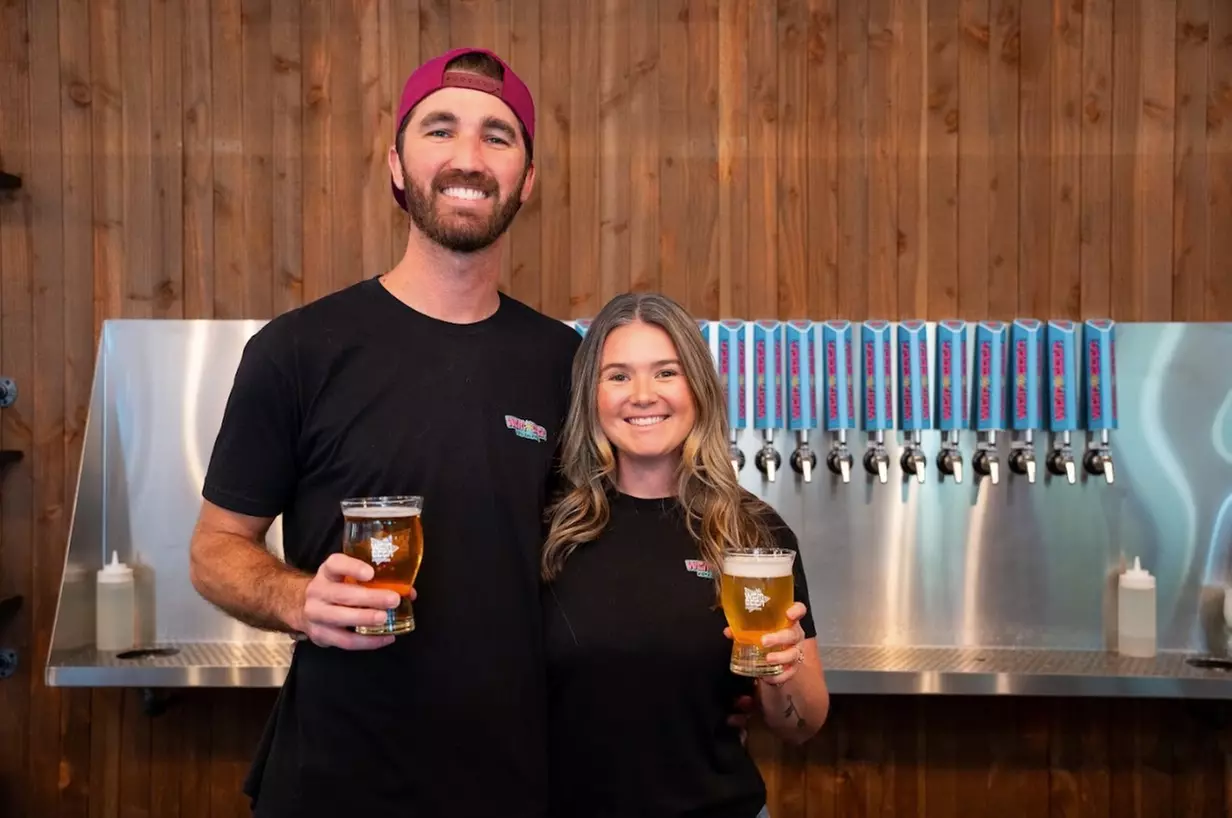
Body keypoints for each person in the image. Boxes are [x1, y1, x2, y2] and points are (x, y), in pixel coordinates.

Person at [188, 47, 582, 818]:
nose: (468, 157)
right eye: (440, 129)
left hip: (515, 782)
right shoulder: (298, 350)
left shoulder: (564, 361)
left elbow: (596, 555)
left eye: (498, 137)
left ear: (527, 180)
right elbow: (213, 550)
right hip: (336, 783)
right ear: (397, 163)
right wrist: (299, 599)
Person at [540, 292, 830, 818]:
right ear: (591, 395)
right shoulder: (549, 527)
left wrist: (782, 673)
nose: (643, 395)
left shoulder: (754, 533)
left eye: (666, 372)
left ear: (697, 388)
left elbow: (801, 726)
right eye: (619, 376)